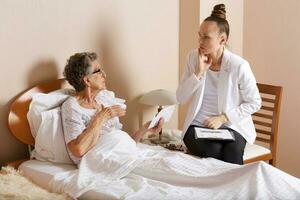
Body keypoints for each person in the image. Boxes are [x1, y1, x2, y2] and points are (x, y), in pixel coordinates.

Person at [176, 4, 262, 165]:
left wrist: (223, 118)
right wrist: (199, 72)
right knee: (213, 151)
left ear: (222, 39)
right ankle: (213, 189)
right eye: (199, 35)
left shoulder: (239, 66)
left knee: (232, 152)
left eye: (206, 37)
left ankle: (234, 190)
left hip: (231, 125)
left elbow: (255, 102)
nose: (200, 41)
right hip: (197, 124)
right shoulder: (193, 58)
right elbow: (181, 97)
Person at [61, 52, 163, 164]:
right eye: (98, 71)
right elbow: (78, 150)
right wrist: (101, 117)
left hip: (126, 154)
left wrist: (145, 128)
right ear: (87, 80)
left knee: (169, 163)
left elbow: (122, 144)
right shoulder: (72, 106)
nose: (104, 75)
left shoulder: (104, 100)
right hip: (104, 162)